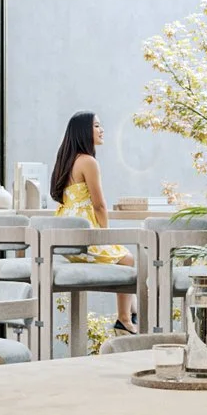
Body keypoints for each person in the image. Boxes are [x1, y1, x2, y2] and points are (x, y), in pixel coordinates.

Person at [48, 109, 135, 336]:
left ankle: (131, 314)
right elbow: (99, 205)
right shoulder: (88, 161)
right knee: (129, 260)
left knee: (124, 258)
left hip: (67, 239)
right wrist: (105, 235)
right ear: (83, 132)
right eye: (96, 126)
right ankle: (125, 319)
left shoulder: (66, 161)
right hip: (84, 236)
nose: (101, 129)